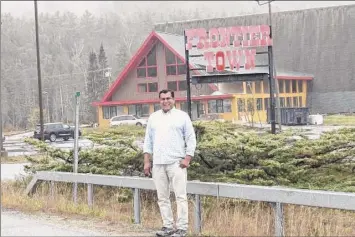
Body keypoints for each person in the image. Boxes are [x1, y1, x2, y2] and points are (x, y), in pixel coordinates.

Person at [143, 89, 196, 237]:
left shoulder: (182, 116)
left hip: (176, 163)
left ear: (174, 99)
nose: (165, 101)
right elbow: (148, 141)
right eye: (162, 99)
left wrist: (187, 158)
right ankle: (167, 226)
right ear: (159, 101)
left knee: (180, 196)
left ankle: (182, 228)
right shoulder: (153, 118)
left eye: (168, 98)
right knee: (162, 197)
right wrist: (147, 161)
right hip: (158, 163)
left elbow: (191, 138)